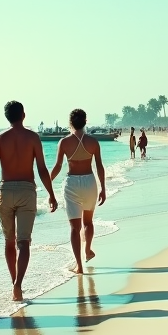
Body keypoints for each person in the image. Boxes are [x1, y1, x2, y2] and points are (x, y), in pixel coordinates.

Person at [0, 101, 56, 302]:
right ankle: (18, 285)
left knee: (9, 241)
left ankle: (14, 282)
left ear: (7, 116)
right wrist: (51, 193)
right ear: (23, 115)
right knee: (24, 242)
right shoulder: (32, 137)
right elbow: (41, 169)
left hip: (5, 190)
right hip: (26, 190)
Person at [49, 109, 107, 274]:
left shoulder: (64, 142)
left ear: (70, 122)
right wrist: (103, 187)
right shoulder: (93, 142)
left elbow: (58, 166)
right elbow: (100, 166)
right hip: (90, 182)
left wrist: (48, 182)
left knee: (75, 228)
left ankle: (79, 266)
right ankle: (88, 250)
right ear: (85, 121)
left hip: (72, 183)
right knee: (88, 222)